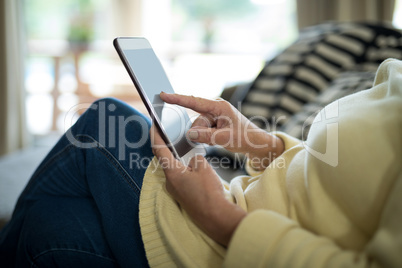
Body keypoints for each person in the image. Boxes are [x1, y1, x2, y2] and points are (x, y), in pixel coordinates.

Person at [0, 58, 401, 267]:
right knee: (46, 233)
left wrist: (214, 214)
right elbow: (334, 178)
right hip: (238, 207)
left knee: (104, 121)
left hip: (231, 243)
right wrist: (260, 144)